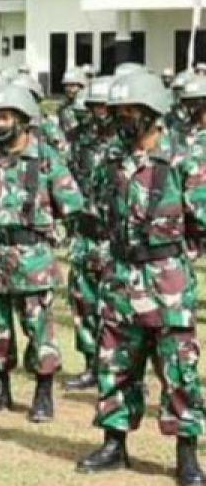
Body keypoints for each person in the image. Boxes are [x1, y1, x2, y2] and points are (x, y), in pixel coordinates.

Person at [76, 71, 206, 485]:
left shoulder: (183, 160)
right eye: (117, 112)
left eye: (130, 111)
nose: (121, 119)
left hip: (167, 282)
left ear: (152, 112)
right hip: (119, 280)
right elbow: (99, 213)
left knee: (178, 371)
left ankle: (186, 452)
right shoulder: (109, 163)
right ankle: (114, 442)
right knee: (114, 365)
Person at [0, 85, 84, 423]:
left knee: (38, 328)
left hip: (31, 257)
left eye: (5, 118)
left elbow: (72, 205)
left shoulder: (45, 158)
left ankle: (43, 393)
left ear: (23, 120)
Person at [63, 77, 117, 391]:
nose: (98, 113)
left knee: (115, 305)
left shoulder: (126, 144)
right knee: (82, 300)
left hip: (114, 236)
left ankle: (119, 367)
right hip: (85, 233)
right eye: (93, 106)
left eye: (103, 106)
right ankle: (90, 364)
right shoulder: (80, 140)